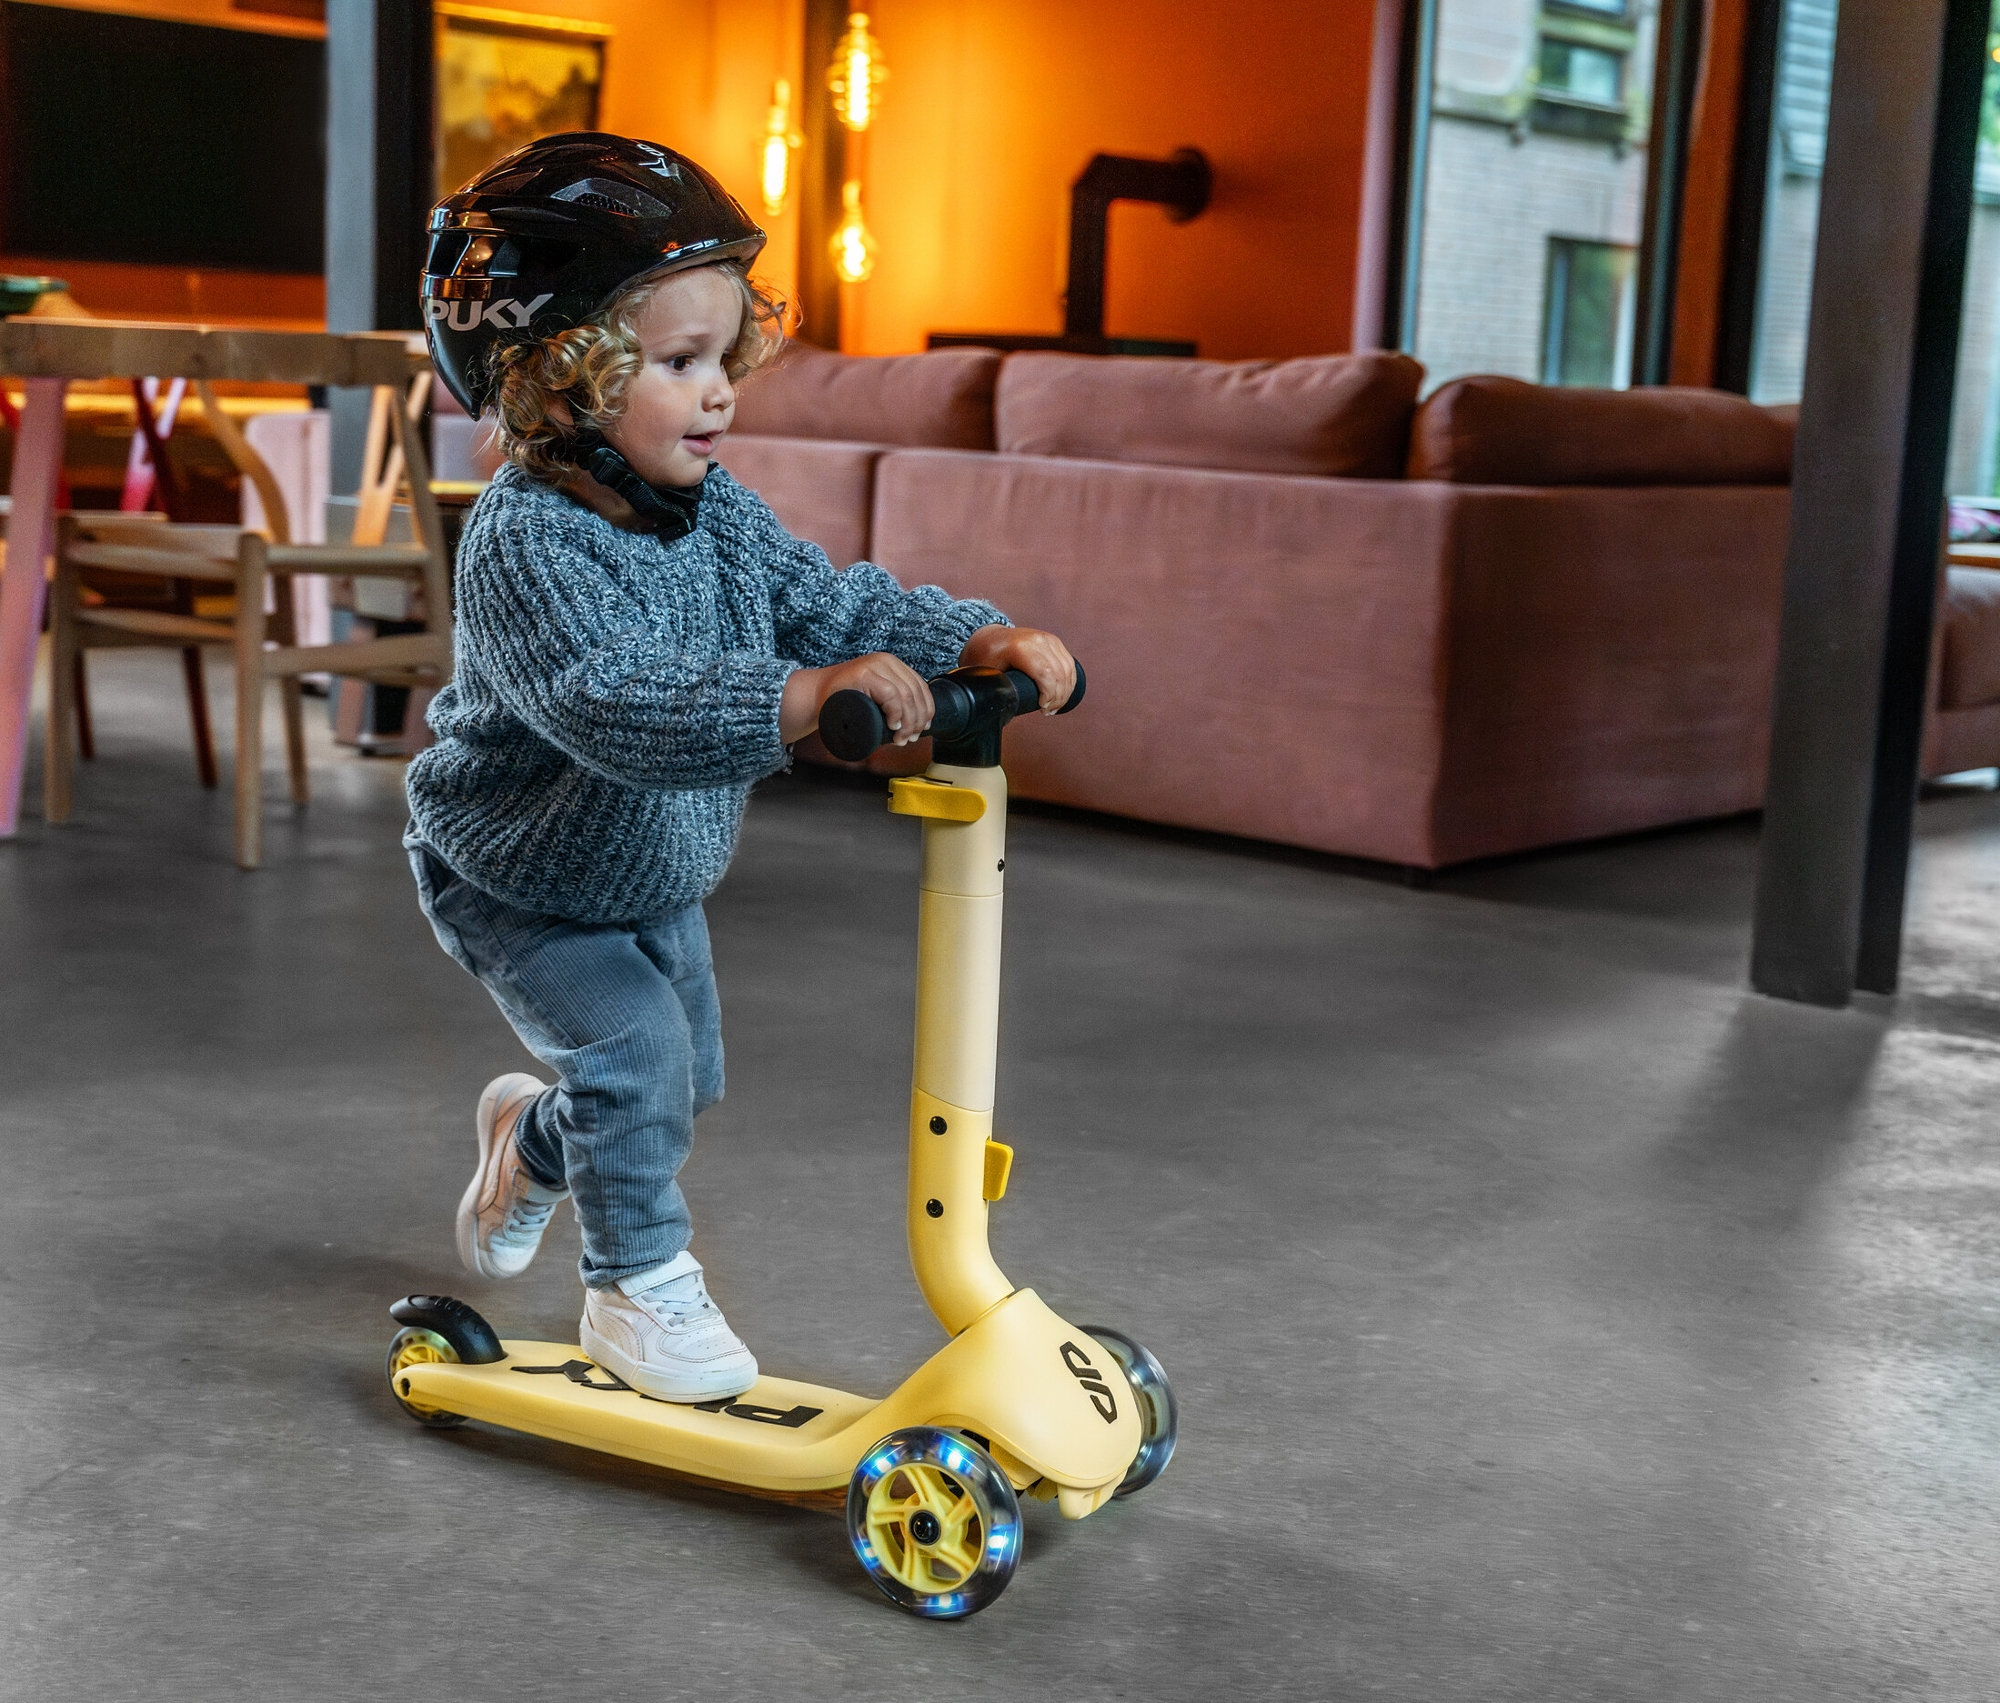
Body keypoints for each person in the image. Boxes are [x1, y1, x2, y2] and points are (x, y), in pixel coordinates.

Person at [405, 134, 1076, 1403]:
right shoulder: (523, 541)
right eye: (675, 364)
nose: (719, 395)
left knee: (678, 1080)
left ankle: (529, 1139)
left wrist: (961, 638)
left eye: (723, 357)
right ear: (559, 380)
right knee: (639, 1061)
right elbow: (609, 702)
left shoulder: (714, 510)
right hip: (517, 872)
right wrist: (796, 702)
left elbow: (817, 601)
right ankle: (634, 1291)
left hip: (648, 866)